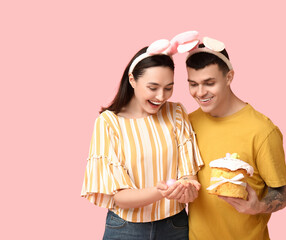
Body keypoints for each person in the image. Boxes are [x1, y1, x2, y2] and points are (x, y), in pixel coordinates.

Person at [81, 35, 203, 240]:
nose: (162, 97)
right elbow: (119, 196)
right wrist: (161, 191)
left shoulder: (176, 113)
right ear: (132, 79)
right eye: (153, 87)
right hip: (126, 229)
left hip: (175, 225)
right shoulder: (109, 123)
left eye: (169, 88)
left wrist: (189, 190)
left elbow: (189, 176)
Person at [184, 37, 286, 240]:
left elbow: (282, 194)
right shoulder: (188, 123)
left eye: (209, 83)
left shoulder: (262, 130)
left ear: (229, 77)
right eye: (193, 84)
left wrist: (258, 206)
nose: (200, 92)